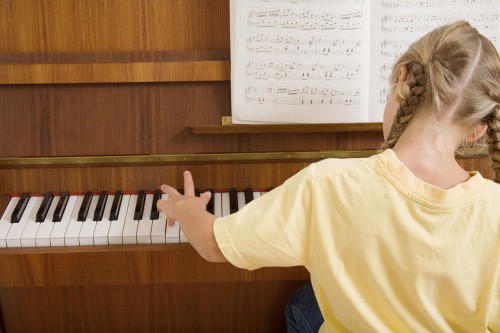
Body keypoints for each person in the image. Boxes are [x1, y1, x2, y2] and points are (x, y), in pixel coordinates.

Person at [157, 20, 500, 332]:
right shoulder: (494, 210)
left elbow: (214, 245)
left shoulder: (328, 184)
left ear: (403, 78)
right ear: (477, 130)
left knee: (302, 302)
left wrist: (186, 208)